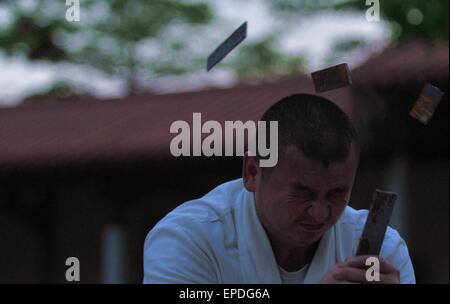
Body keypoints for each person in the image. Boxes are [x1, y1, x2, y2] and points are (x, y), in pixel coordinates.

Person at [143, 93, 415, 284]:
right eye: (303, 193)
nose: (320, 213)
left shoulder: (383, 252)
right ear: (252, 172)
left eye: (337, 193)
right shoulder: (189, 240)